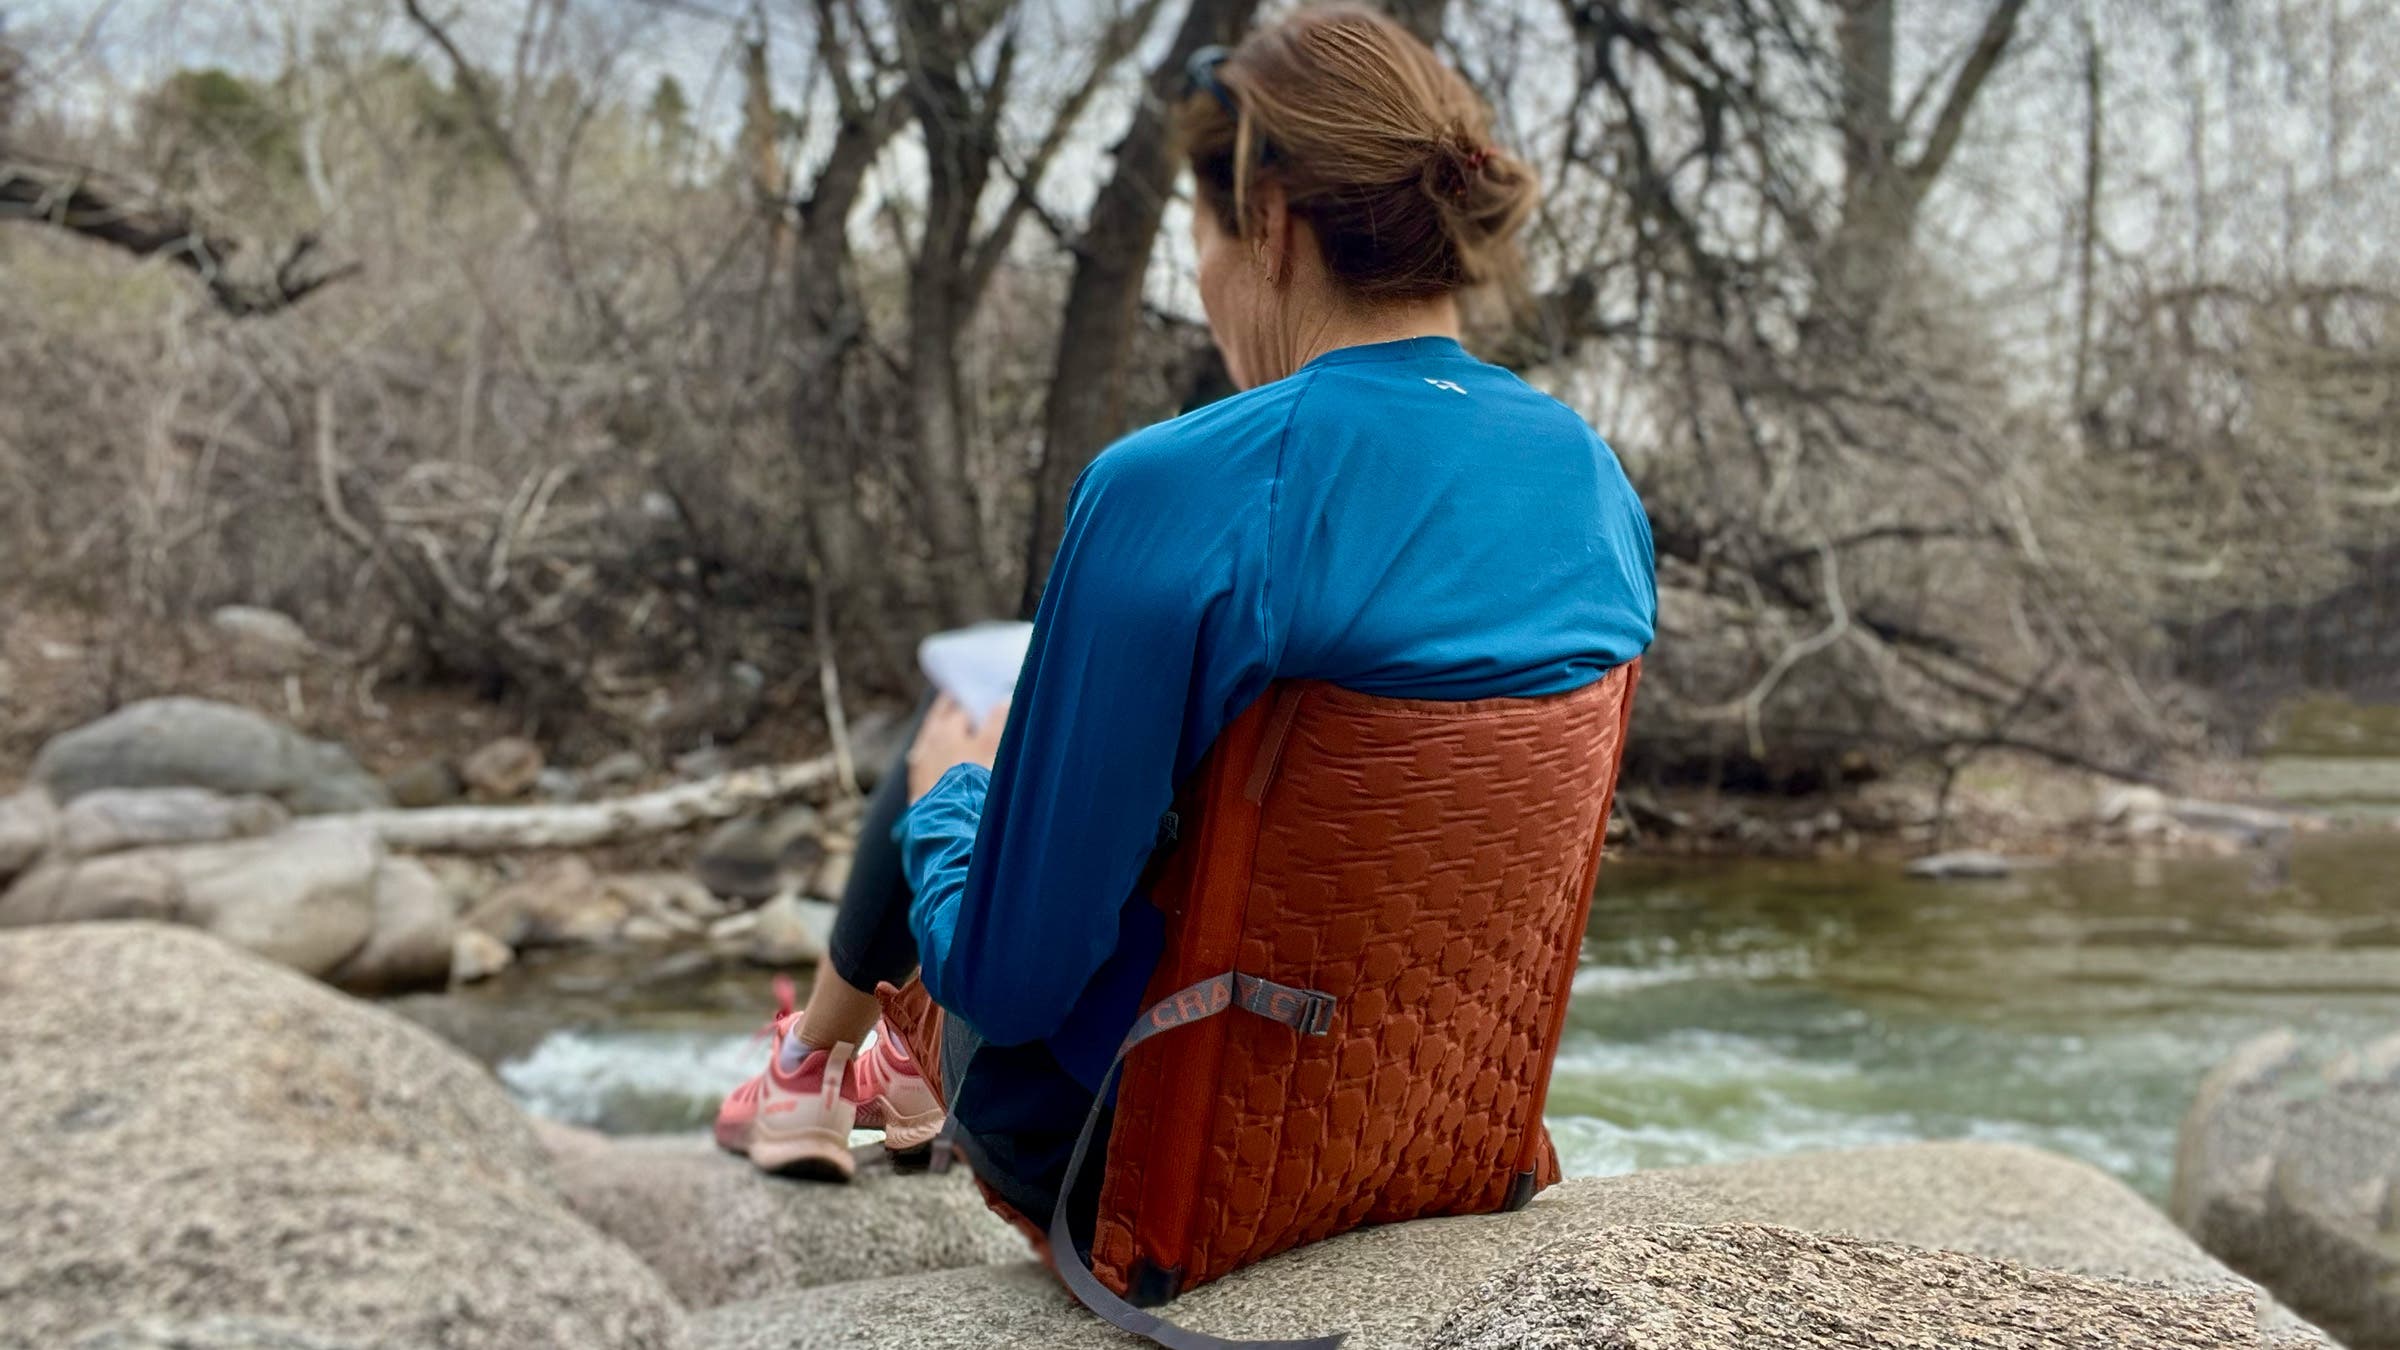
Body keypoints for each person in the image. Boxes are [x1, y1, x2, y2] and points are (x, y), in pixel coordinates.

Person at [715, 2, 1656, 1238]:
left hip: (1150, 1172)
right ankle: (868, 1063)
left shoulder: (1173, 483)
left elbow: (1015, 978)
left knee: (952, 744)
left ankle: (824, 1066)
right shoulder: (1593, 475)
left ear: (1266, 221)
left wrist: (950, 803)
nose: (1203, 281)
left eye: (1196, 236)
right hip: (1437, 1142)